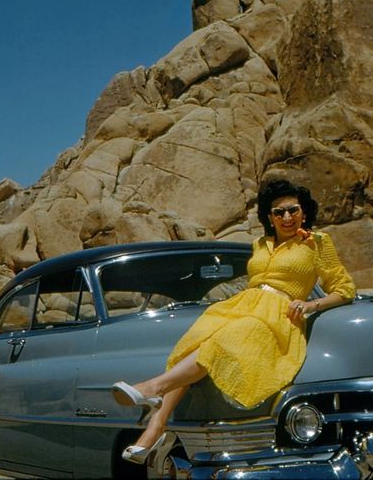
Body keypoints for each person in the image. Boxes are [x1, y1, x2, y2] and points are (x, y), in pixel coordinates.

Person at [112, 178, 356, 463]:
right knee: (195, 341)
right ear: (269, 217)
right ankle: (155, 428)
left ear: (304, 212)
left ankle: (153, 390)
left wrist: (311, 304)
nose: (287, 217)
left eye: (293, 210)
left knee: (223, 341)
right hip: (244, 303)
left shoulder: (317, 243)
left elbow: (344, 289)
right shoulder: (260, 244)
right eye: (279, 212)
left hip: (277, 314)